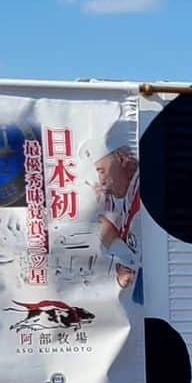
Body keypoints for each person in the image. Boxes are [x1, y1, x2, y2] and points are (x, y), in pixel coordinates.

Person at [80, 126, 142, 297]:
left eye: (101, 171)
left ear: (121, 159)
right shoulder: (119, 201)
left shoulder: (142, 193)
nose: (101, 181)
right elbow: (104, 227)